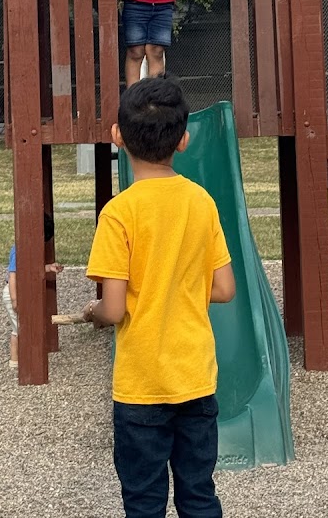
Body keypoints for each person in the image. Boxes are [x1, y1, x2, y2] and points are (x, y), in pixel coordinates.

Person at [83, 75, 236, 518]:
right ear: (183, 140)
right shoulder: (201, 202)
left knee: (144, 501)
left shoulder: (118, 213)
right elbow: (224, 289)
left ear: (117, 136)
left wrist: (94, 312)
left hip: (142, 386)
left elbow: (114, 308)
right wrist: (180, 287)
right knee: (199, 495)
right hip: (196, 379)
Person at [2, 213, 63, 370]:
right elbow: (13, 275)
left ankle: (23, 358)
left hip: (23, 292)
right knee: (19, 328)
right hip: (14, 293)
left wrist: (48, 268)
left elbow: (31, 270)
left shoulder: (29, 248)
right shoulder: (19, 250)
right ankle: (15, 361)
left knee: (25, 325)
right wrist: (15, 299)